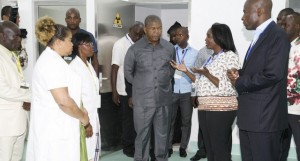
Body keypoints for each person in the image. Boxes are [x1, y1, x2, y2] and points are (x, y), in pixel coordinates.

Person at [227, 0, 291, 160]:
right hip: (251, 117)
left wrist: (239, 82)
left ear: (260, 11)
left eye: (245, 12)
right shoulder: (260, 35)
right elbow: (259, 69)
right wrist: (240, 73)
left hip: (265, 119)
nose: (243, 17)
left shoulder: (278, 35)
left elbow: (272, 74)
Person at [171, 23, 240, 161]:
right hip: (206, 107)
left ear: (218, 38)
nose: (205, 39)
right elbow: (199, 80)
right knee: (210, 148)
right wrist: (185, 71)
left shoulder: (230, 56)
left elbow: (227, 85)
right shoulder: (212, 57)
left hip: (221, 109)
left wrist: (207, 74)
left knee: (219, 149)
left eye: (209, 36)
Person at [26, 16, 90, 161]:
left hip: (59, 127)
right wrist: (83, 117)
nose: (72, 44)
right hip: (54, 131)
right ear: (59, 42)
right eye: (69, 40)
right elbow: (63, 101)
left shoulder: (53, 60)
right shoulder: (51, 63)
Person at [124, 15, 175, 161]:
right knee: (142, 135)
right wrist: (142, 85)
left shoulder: (169, 48)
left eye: (159, 28)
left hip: (163, 100)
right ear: (145, 29)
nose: (156, 32)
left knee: (162, 136)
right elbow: (128, 73)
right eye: (153, 28)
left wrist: (162, 82)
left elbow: (171, 71)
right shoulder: (134, 49)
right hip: (143, 102)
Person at [111, 21, 144, 157]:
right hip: (124, 90)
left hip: (139, 89)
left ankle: (136, 145)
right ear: (130, 29)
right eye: (136, 34)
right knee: (128, 121)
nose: (138, 37)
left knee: (137, 121)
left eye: (141, 35)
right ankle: (127, 147)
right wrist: (114, 91)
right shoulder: (120, 45)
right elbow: (114, 68)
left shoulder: (140, 44)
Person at [0, 21, 31, 161]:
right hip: (5, 126)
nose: (19, 40)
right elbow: (3, 89)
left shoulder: (11, 54)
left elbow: (19, 83)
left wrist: (26, 97)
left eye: (20, 36)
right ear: (2, 36)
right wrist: (30, 96)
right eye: (15, 36)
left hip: (18, 121)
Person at [70, 32, 101, 161]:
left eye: (91, 43)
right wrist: (86, 123)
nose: (92, 47)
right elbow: (76, 99)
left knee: (94, 150)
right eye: (88, 44)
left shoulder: (88, 65)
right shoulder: (74, 68)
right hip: (84, 119)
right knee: (85, 152)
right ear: (79, 46)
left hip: (94, 114)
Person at [168, 26, 198, 158]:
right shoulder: (170, 51)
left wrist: (194, 93)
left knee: (186, 121)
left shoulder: (195, 53)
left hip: (186, 92)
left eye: (180, 35)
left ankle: (183, 147)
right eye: (176, 35)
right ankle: (168, 146)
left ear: (187, 36)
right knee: (170, 120)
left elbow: (196, 76)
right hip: (172, 91)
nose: (177, 37)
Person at [280, 12, 300, 161]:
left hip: (298, 111)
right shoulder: (286, 46)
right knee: (280, 149)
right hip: (282, 109)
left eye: (286, 25)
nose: (282, 28)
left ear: (297, 26)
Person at [189, 46, 213, 161]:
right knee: (203, 125)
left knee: (221, 127)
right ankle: (202, 151)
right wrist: (194, 93)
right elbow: (197, 74)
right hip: (203, 95)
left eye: (208, 37)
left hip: (221, 97)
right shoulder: (203, 51)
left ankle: (221, 153)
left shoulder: (230, 52)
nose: (206, 40)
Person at [64, 8, 99, 75]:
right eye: (69, 18)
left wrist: (95, 80)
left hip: (83, 74)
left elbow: (95, 61)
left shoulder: (88, 36)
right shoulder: (60, 36)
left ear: (80, 20)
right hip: (64, 75)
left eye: (75, 18)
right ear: (66, 20)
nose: (72, 21)